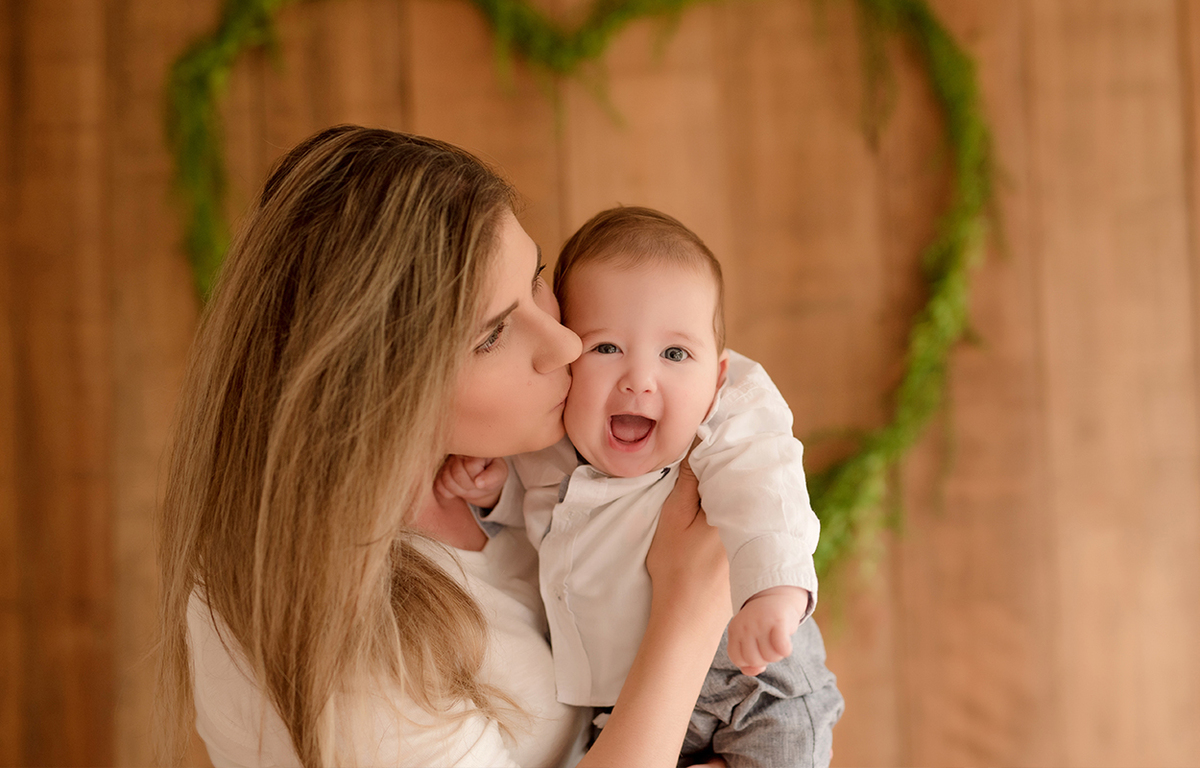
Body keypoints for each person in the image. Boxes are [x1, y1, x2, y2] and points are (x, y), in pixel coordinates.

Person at [155, 127, 733, 768]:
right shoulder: (342, 658)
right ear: (375, 383)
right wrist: (693, 608)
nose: (566, 344)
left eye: (536, 277)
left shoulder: (495, 455)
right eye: (491, 335)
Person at [437, 206, 844, 767]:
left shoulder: (727, 423)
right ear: (569, 357)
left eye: (674, 354)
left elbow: (767, 496)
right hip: (627, 701)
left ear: (717, 375)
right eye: (606, 348)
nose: (639, 379)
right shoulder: (555, 439)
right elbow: (551, 518)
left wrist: (773, 593)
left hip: (752, 685)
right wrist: (496, 493)